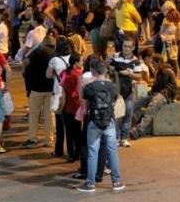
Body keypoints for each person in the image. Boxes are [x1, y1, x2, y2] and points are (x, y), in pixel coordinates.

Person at [77, 59, 126, 193]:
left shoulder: (90, 87)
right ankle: (116, 181)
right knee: (112, 152)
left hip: (94, 122)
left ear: (93, 71)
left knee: (93, 152)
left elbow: (83, 98)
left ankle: (90, 183)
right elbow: (115, 100)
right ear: (105, 71)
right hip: (109, 122)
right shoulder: (113, 86)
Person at [23, 33, 57, 148]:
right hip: (51, 89)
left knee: (34, 114)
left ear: (44, 43)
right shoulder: (56, 54)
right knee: (49, 114)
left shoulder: (38, 52)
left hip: (37, 88)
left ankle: (33, 138)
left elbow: (26, 62)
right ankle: (49, 138)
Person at [46, 36, 72, 158]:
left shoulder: (54, 60)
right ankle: (72, 151)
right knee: (72, 124)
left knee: (60, 124)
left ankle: (59, 150)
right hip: (71, 93)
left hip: (58, 93)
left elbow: (48, 75)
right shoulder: (74, 58)